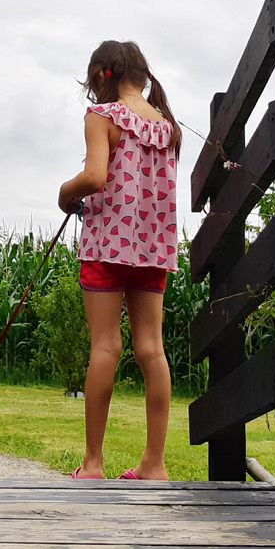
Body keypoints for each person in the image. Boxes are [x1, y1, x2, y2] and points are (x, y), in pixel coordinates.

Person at [57, 40, 182, 480]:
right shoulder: (166, 126)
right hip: (153, 249)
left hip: (107, 245)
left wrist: (65, 194)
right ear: (142, 76)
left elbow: (95, 176)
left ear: (100, 75)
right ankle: (154, 464)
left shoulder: (102, 116)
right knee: (152, 348)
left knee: (105, 347)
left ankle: (93, 463)